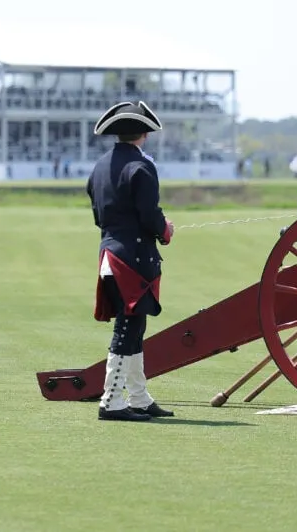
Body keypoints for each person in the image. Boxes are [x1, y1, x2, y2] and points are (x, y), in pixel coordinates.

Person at [87, 101, 176, 422]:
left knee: (135, 327)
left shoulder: (100, 167)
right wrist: (165, 230)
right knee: (127, 329)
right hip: (133, 258)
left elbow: (99, 216)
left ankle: (138, 397)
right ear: (144, 133)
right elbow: (149, 214)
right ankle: (111, 401)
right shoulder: (141, 166)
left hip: (110, 253)